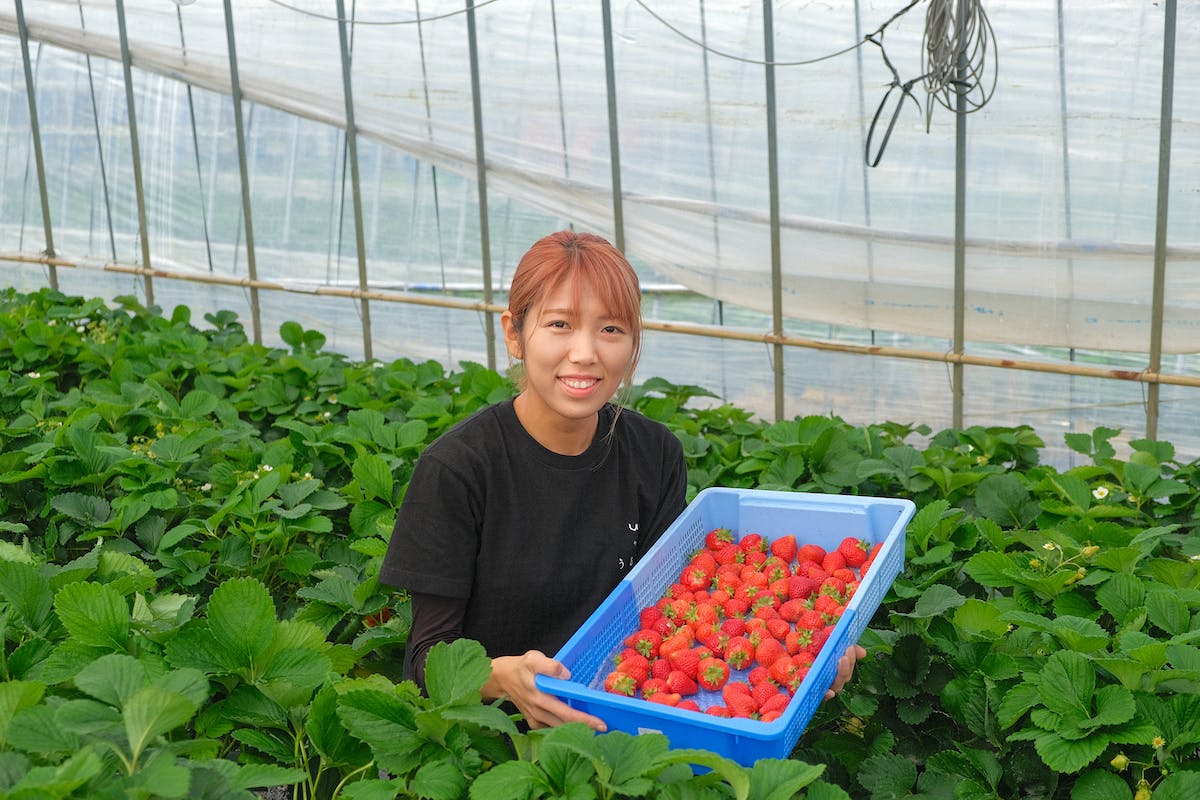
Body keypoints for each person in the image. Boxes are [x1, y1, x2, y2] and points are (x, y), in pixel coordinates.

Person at [380, 230, 863, 732]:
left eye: (611, 329)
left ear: (634, 343)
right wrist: (504, 677)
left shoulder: (654, 455)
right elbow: (425, 661)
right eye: (560, 324)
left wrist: (805, 650)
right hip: (494, 742)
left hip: (628, 728)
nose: (585, 352)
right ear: (514, 334)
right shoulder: (458, 470)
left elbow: (681, 611)